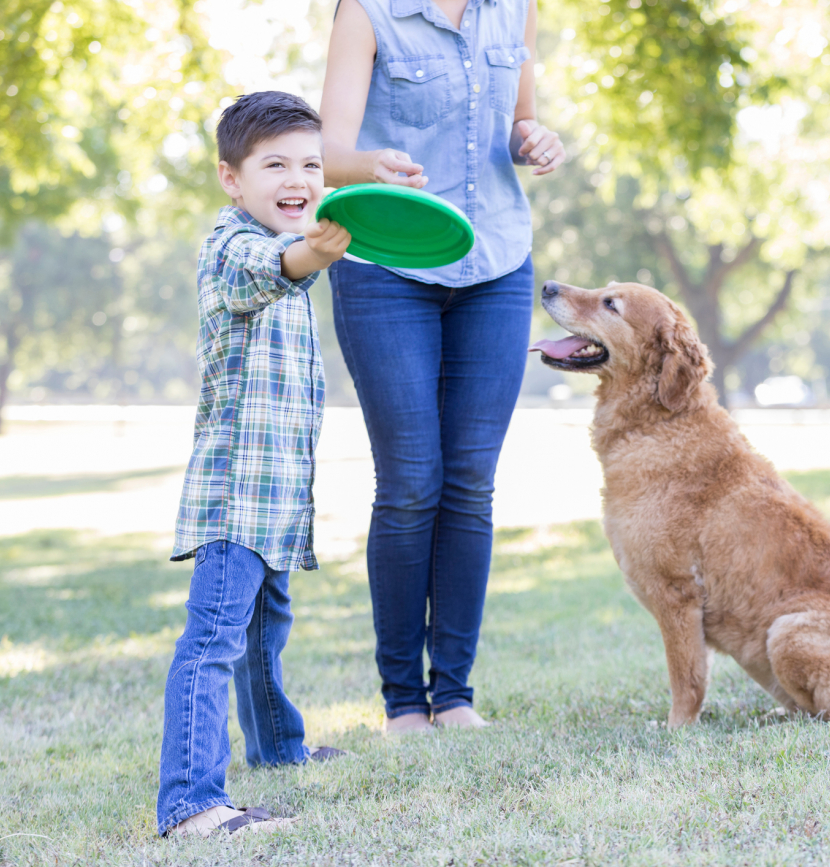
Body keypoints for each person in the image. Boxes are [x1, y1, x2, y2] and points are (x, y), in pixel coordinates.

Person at [319, 0, 565, 733]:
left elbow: (517, 123)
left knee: (468, 482)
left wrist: (534, 138)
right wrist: (372, 165)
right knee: (409, 482)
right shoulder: (368, 13)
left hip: (496, 262)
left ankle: (453, 694)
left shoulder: (516, 10)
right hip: (386, 261)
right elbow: (327, 151)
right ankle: (402, 702)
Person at [157, 91, 353, 838]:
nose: (297, 178)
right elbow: (267, 270)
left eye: (310, 163)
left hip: (275, 497)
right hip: (236, 496)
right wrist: (316, 252)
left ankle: (278, 747)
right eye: (275, 164)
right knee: (212, 642)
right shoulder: (234, 244)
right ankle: (190, 803)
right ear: (232, 178)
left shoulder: (288, 236)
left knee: (264, 632)